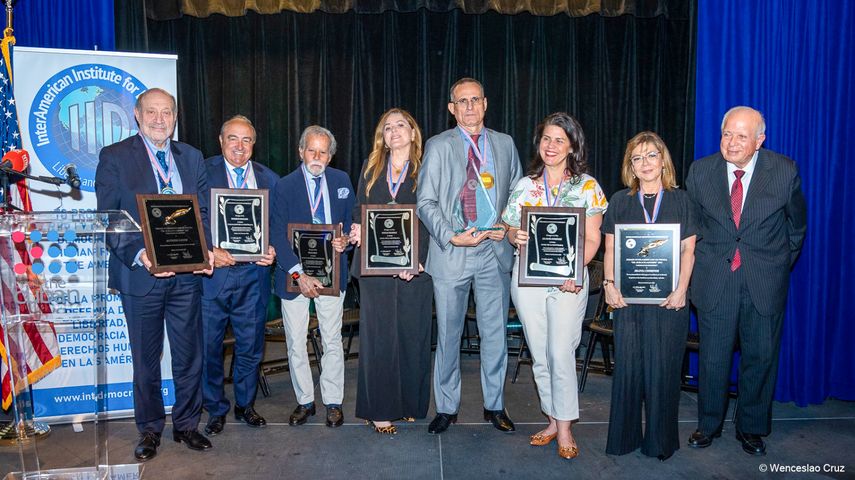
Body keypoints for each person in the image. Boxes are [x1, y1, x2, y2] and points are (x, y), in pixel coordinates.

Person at [95, 88, 213, 461]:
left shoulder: (191, 157)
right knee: (145, 360)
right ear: (137, 114)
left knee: (189, 355)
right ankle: (149, 429)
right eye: (152, 112)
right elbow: (110, 219)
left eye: (167, 113)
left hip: (186, 276)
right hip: (141, 276)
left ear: (175, 117)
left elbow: (205, 213)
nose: (159, 119)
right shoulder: (115, 157)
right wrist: (141, 255)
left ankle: (187, 425)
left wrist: (205, 250)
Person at [685, 106, 807, 456]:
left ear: (759, 140)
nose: (732, 142)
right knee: (713, 359)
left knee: (760, 358)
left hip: (764, 282)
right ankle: (708, 425)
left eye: (741, 135)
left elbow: (796, 228)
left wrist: (777, 266)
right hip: (715, 280)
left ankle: (751, 428)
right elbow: (693, 228)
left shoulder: (784, 171)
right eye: (727, 134)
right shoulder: (701, 171)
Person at [417, 77, 523, 435]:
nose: (469, 107)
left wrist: (507, 227)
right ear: (452, 108)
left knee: (495, 334)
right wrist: (450, 236)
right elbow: (425, 202)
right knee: (449, 334)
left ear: (485, 103)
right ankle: (447, 407)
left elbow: (518, 198)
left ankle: (494, 405)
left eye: (475, 99)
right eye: (462, 101)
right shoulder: (437, 145)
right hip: (453, 253)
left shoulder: (505, 144)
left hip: (494, 252)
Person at [503, 112, 607, 460]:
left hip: (568, 283)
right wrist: (512, 234)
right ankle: (551, 419)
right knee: (541, 355)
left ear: (572, 145)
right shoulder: (525, 184)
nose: (551, 145)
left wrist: (576, 272)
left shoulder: (588, 186)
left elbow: (593, 238)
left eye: (559, 140)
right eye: (546, 138)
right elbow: (507, 228)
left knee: (561, 353)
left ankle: (565, 427)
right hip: (528, 281)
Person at [601, 131, 697, 461]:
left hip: (669, 302)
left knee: (664, 372)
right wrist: (610, 285)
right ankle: (624, 439)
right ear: (631, 165)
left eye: (651, 155)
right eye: (637, 158)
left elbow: (688, 250)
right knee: (628, 370)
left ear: (663, 161)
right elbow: (610, 246)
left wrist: (682, 289)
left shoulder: (682, 200)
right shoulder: (620, 201)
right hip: (627, 303)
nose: (645, 163)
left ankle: (660, 442)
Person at [348, 108, 433, 434]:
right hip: (375, 268)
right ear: (381, 137)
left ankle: (410, 404)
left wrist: (420, 258)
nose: (394, 132)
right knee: (379, 339)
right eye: (387, 128)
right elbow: (359, 208)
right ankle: (379, 409)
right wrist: (357, 227)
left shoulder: (425, 170)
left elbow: (432, 215)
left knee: (413, 335)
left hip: (417, 267)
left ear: (413, 132)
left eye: (401, 126)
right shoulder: (371, 169)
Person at [270, 125, 354, 429]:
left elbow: (350, 222)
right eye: (311, 150)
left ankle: (333, 402)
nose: (317, 156)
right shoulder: (285, 185)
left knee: (332, 339)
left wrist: (346, 239)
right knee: (295, 341)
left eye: (323, 151)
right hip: (294, 276)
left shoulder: (342, 180)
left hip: (333, 275)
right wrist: (299, 273)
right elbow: (277, 235)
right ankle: (305, 401)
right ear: (301, 151)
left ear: (330, 156)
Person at [201, 115, 279, 436]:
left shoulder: (269, 179)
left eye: (246, 140)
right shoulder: (202, 173)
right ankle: (215, 407)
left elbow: (277, 221)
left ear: (253, 145)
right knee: (210, 346)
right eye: (233, 138)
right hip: (213, 275)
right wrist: (207, 250)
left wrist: (272, 247)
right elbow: (193, 216)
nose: (239, 146)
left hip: (253, 276)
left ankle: (245, 404)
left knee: (250, 345)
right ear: (221, 141)